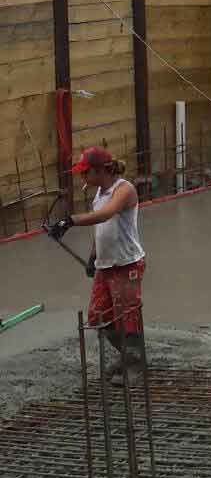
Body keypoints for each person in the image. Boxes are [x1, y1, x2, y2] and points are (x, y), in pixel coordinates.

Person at [47, 146, 147, 384]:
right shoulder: (99, 194)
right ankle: (128, 355)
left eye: (85, 172)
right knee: (97, 317)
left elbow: (106, 215)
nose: (82, 177)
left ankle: (136, 365)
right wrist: (94, 257)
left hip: (127, 263)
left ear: (100, 170)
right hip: (106, 265)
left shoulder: (124, 190)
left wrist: (69, 221)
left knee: (127, 316)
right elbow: (100, 229)